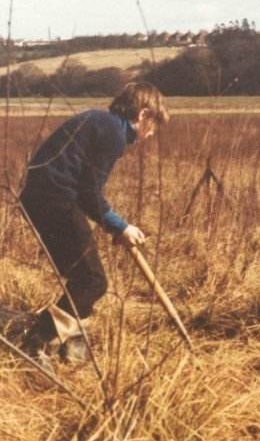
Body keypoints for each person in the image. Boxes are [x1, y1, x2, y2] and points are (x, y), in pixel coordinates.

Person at [18, 82, 169, 368]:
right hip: (54, 200)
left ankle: (72, 347)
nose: (151, 134)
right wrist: (121, 226)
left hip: (43, 199)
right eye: (153, 125)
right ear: (143, 114)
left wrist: (113, 226)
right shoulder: (112, 133)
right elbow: (89, 195)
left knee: (83, 279)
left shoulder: (102, 123)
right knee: (93, 281)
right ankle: (35, 344)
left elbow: (85, 189)